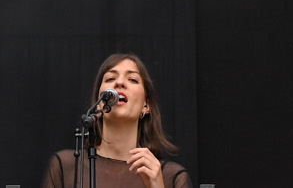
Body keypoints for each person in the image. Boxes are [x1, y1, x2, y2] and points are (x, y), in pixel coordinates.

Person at [40, 54, 190, 188]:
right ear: (99, 103)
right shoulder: (66, 166)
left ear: (146, 106)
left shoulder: (171, 176)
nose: (119, 83)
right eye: (110, 78)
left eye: (132, 79)